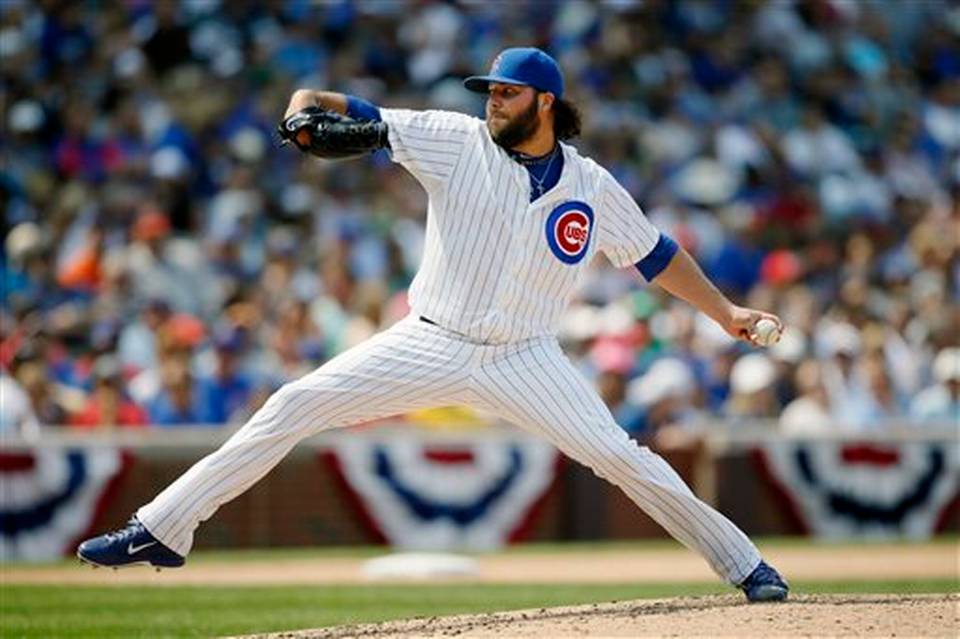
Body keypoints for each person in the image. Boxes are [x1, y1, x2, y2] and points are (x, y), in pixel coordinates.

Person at [77, 48, 788, 602]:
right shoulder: (454, 138)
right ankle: (162, 528)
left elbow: (658, 256)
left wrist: (726, 312)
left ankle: (745, 563)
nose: (492, 101)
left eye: (506, 91)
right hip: (431, 338)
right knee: (294, 403)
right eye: (490, 90)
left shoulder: (592, 186)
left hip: (525, 356)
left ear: (545, 101)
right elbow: (339, 106)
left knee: (624, 456)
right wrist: (302, 107)